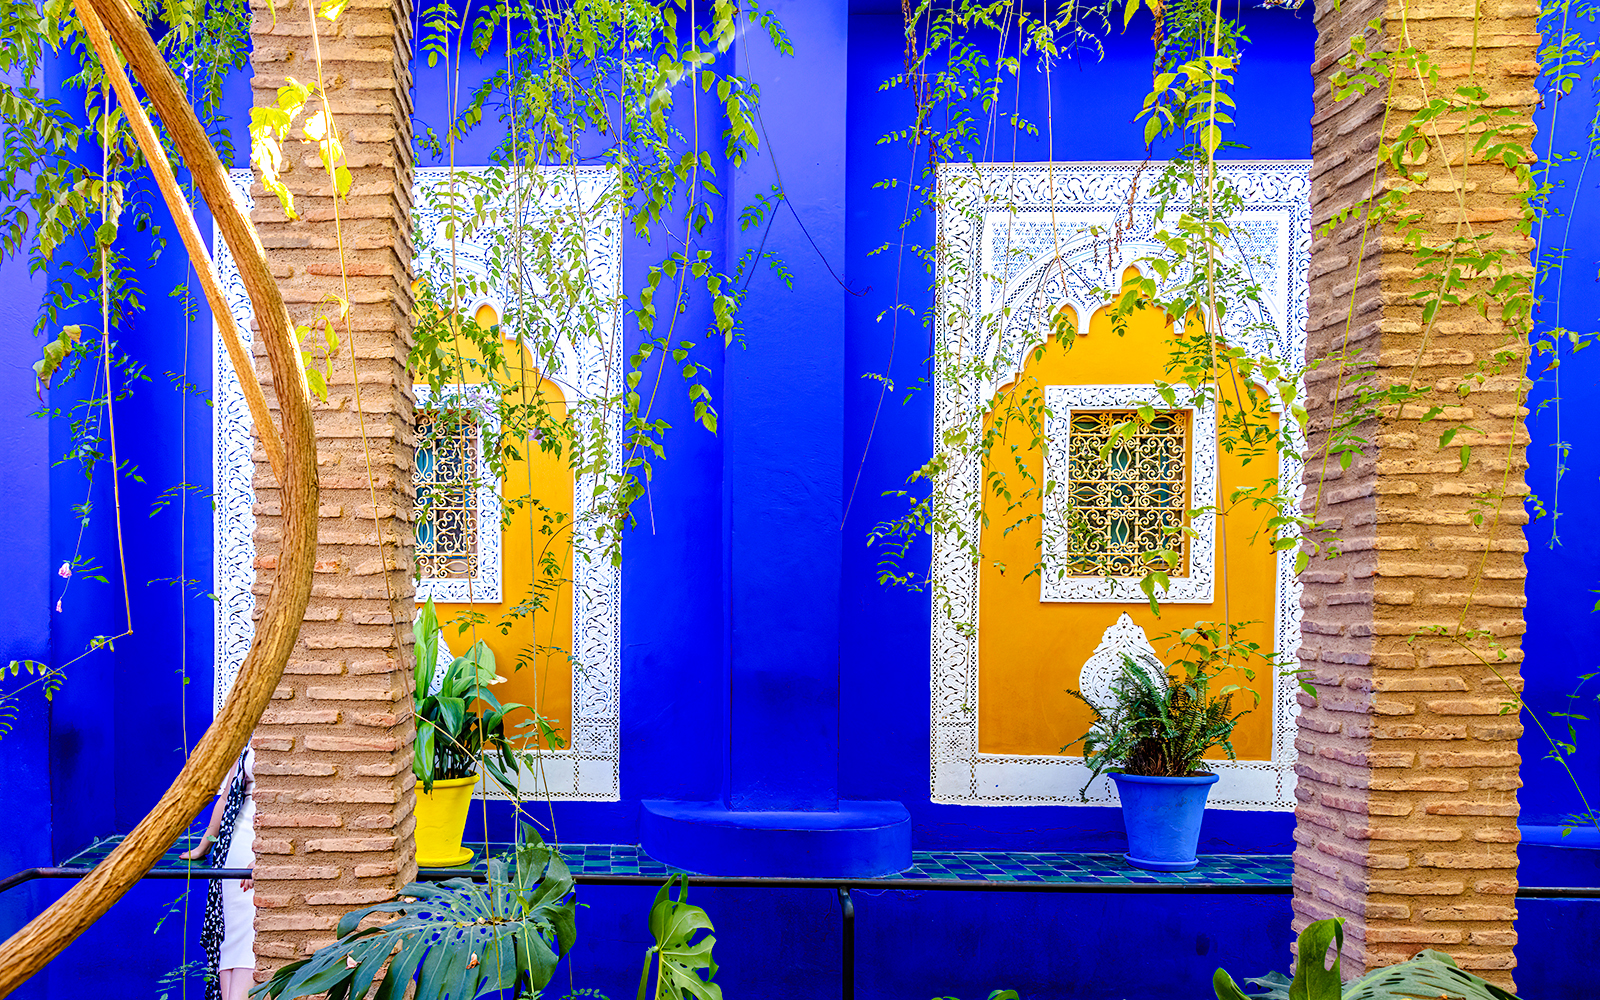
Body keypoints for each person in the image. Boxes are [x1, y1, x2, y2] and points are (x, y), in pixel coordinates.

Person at [178, 746, 256, 1000]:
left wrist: (265, 857)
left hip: (258, 846)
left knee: (249, 934)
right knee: (231, 934)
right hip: (233, 845)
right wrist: (204, 845)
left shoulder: (283, 732)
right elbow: (225, 797)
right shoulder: (246, 738)